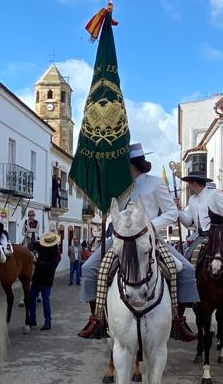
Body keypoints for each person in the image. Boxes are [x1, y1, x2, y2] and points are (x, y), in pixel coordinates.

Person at [78, 143, 198, 342]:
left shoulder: (155, 183)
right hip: (120, 238)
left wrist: (148, 225)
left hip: (148, 238)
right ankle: (97, 318)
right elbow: (110, 209)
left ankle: (178, 319)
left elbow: (171, 212)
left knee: (185, 269)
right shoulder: (118, 186)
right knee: (89, 268)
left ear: (131, 164)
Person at [175, 169, 223, 308]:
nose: (188, 186)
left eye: (189, 183)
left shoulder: (214, 194)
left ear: (194, 183)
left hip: (220, 235)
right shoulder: (192, 200)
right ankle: (191, 295)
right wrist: (177, 210)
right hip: (202, 236)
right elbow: (188, 222)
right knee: (186, 258)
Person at [27, 232, 62, 330]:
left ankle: (48, 322)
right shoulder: (42, 245)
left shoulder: (56, 255)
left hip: (47, 278)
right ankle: (32, 319)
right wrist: (30, 250)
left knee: (45, 300)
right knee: (31, 298)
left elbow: (49, 266)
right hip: (38, 277)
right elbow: (32, 243)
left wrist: (36, 261)